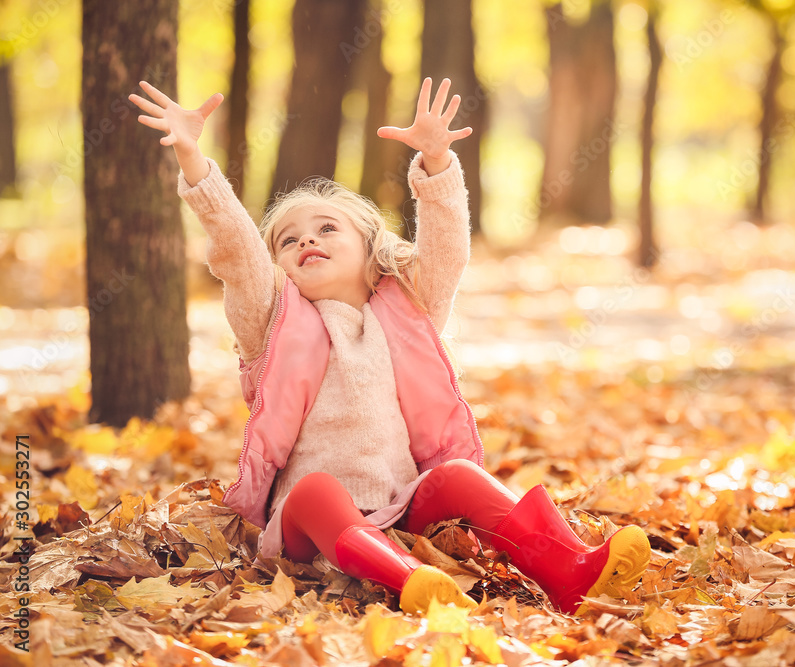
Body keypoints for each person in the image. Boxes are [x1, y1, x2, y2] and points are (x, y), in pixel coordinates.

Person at [129, 77, 651, 616]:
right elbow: (237, 251)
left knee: (458, 478)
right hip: (312, 532)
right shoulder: (272, 321)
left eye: (327, 228)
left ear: (369, 245)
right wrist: (193, 160)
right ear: (278, 266)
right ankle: (411, 584)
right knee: (315, 489)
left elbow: (446, 252)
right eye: (288, 240)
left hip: (402, 509)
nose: (307, 240)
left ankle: (568, 567)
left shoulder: (405, 311)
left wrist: (436, 164)